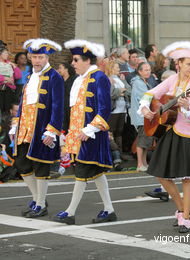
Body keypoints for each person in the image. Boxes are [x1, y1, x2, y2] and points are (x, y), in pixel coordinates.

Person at [139, 41, 190, 233]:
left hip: (189, 134)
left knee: (187, 177)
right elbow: (150, 93)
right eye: (188, 64)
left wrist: (186, 106)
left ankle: (185, 217)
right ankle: (180, 207)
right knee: (160, 173)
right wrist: (145, 107)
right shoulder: (173, 79)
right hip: (170, 131)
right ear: (178, 63)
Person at [52, 39, 116, 225]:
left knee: (81, 172)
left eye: (76, 59)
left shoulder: (99, 78)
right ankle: (109, 209)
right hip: (78, 135)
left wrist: (90, 129)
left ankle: (70, 212)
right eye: (73, 60)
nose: (73, 63)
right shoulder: (78, 80)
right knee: (95, 173)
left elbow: (104, 109)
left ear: (88, 61)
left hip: (91, 135)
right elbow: (73, 110)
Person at [9, 38, 64, 218]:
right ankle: (37, 198)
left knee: (41, 165)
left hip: (42, 127)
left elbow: (58, 105)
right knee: (22, 164)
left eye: (40, 57)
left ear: (47, 57)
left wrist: (52, 130)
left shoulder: (54, 77)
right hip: (24, 126)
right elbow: (23, 103)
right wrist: (15, 125)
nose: (37, 60)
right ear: (30, 58)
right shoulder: (30, 75)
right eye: (34, 57)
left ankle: (40, 204)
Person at [129, 62, 154, 172]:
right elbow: (144, 98)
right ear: (139, 71)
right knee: (141, 141)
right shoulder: (138, 83)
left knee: (145, 141)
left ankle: (144, 163)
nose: (148, 72)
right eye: (145, 70)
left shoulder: (143, 82)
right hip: (141, 116)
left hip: (144, 116)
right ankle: (140, 163)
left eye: (149, 70)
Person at [105, 60, 131, 156]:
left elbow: (129, 90)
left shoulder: (120, 79)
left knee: (119, 132)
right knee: (111, 132)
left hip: (123, 109)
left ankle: (120, 153)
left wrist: (123, 84)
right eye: (117, 67)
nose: (119, 69)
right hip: (113, 110)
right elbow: (111, 94)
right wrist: (120, 91)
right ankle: (113, 154)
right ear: (111, 68)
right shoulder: (108, 79)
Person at [0, 47, 22, 113]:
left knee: (7, 109)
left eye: (7, 53)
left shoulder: (10, 64)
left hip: (9, 89)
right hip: (0, 87)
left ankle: (6, 122)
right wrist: (5, 78)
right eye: (5, 53)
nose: (7, 55)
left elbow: (18, 76)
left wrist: (14, 66)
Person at [57, 62, 77, 134]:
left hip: (71, 105)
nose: (58, 70)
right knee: (63, 123)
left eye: (60, 68)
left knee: (71, 122)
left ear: (66, 69)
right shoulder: (59, 80)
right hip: (62, 105)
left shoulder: (74, 79)